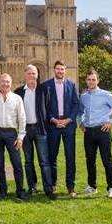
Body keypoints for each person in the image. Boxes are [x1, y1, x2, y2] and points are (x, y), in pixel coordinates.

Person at [78, 69, 112, 200]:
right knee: (90, 161)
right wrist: (80, 123)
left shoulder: (106, 95)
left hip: (103, 131)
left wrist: (111, 122)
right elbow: (80, 111)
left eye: (93, 79)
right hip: (88, 132)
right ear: (86, 81)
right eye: (89, 79)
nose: (91, 82)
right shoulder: (83, 97)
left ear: (97, 81)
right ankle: (92, 186)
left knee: (107, 161)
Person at [14, 65, 56, 200]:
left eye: (34, 73)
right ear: (25, 75)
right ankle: (32, 186)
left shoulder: (44, 90)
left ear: (37, 75)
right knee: (28, 161)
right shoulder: (19, 92)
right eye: (29, 73)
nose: (32, 76)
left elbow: (49, 108)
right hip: (25, 130)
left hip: (40, 128)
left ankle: (48, 188)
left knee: (44, 161)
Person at [42, 60, 80, 197]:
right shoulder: (46, 86)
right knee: (52, 157)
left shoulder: (71, 84)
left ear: (65, 70)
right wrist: (53, 120)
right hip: (53, 125)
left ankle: (71, 187)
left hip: (68, 125)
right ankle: (52, 185)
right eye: (58, 69)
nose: (60, 71)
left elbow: (76, 104)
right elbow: (44, 107)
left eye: (62, 69)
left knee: (70, 157)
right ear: (54, 70)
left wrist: (68, 119)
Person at [0, 73, 28, 201]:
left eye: (8, 82)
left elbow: (22, 118)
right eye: (3, 81)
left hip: (11, 133)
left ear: (11, 83)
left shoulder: (17, 99)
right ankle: (3, 191)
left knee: (17, 163)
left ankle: (20, 190)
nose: (5, 84)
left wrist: (21, 136)